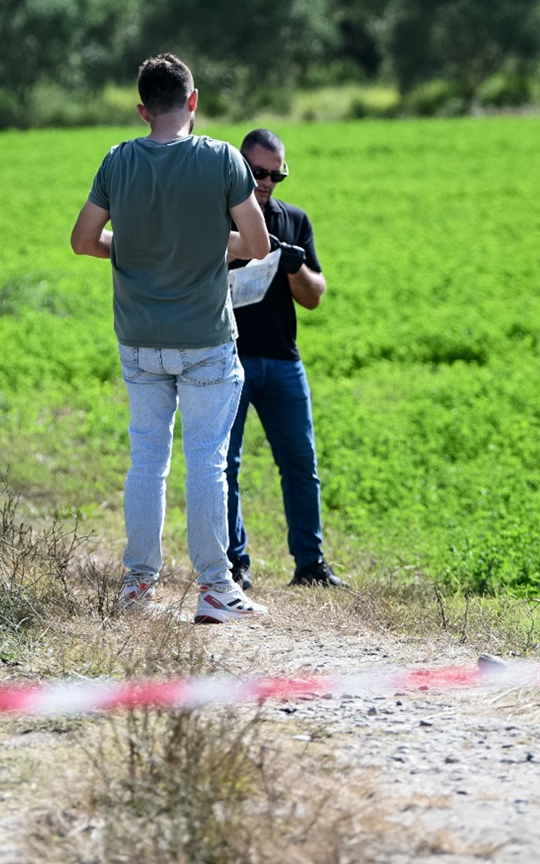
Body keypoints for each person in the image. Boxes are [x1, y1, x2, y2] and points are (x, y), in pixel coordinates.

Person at [70, 53, 271, 624]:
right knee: (206, 464)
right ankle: (214, 589)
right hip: (206, 337)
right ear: (193, 101)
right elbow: (256, 245)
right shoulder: (221, 159)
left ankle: (139, 586)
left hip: (139, 339)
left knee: (146, 460)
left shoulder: (118, 161)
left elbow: (84, 241)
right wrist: (213, 246)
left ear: (141, 109)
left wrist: (131, 250)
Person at [223, 128, 344, 591]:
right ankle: (235, 565)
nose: (268, 182)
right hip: (227, 359)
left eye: (277, 174)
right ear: (239, 166)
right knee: (225, 466)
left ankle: (310, 565)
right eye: (259, 173)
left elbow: (314, 297)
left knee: (300, 464)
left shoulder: (294, 220)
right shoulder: (217, 218)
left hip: (282, 360)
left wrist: (296, 267)